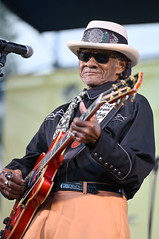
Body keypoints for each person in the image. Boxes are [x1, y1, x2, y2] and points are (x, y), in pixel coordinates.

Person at [0, 20, 155, 239]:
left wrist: (98, 141)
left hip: (93, 208)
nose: (89, 62)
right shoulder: (59, 113)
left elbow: (136, 171)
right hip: (39, 212)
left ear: (121, 66)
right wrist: (11, 177)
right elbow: (31, 160)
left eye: (100, 57)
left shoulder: (132, 103)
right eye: (84, 55)